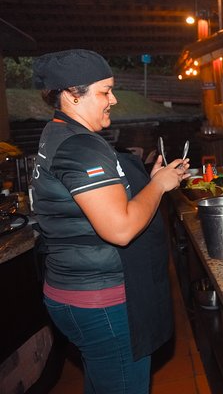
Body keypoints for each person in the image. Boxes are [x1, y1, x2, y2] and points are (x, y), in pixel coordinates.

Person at [31, 49, 189, 393]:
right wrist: (159, 186)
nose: (113, 100)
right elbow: (120, 228)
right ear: (72, 95)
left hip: (72, 290)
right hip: (99, 300)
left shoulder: (56, 133)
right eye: (104, 91)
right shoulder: (81, 146)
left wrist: (148, 181)